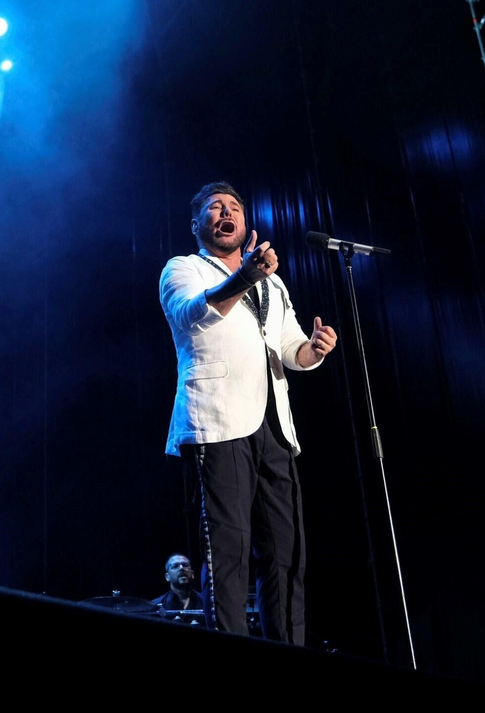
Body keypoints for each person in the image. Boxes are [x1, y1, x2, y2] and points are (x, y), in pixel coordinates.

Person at [160, 182, 338, 643]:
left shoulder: (273, 282)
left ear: (244, 223)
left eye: (234, 208)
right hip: (217, 422)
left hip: (274, 426)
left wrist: (314, 350)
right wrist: (246, 277)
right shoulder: (184, 269)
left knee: (285, 553)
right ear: (197, 224)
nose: (226, 214)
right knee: (228, 551)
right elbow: (192, 314)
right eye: (214, 208)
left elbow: (290, 346)